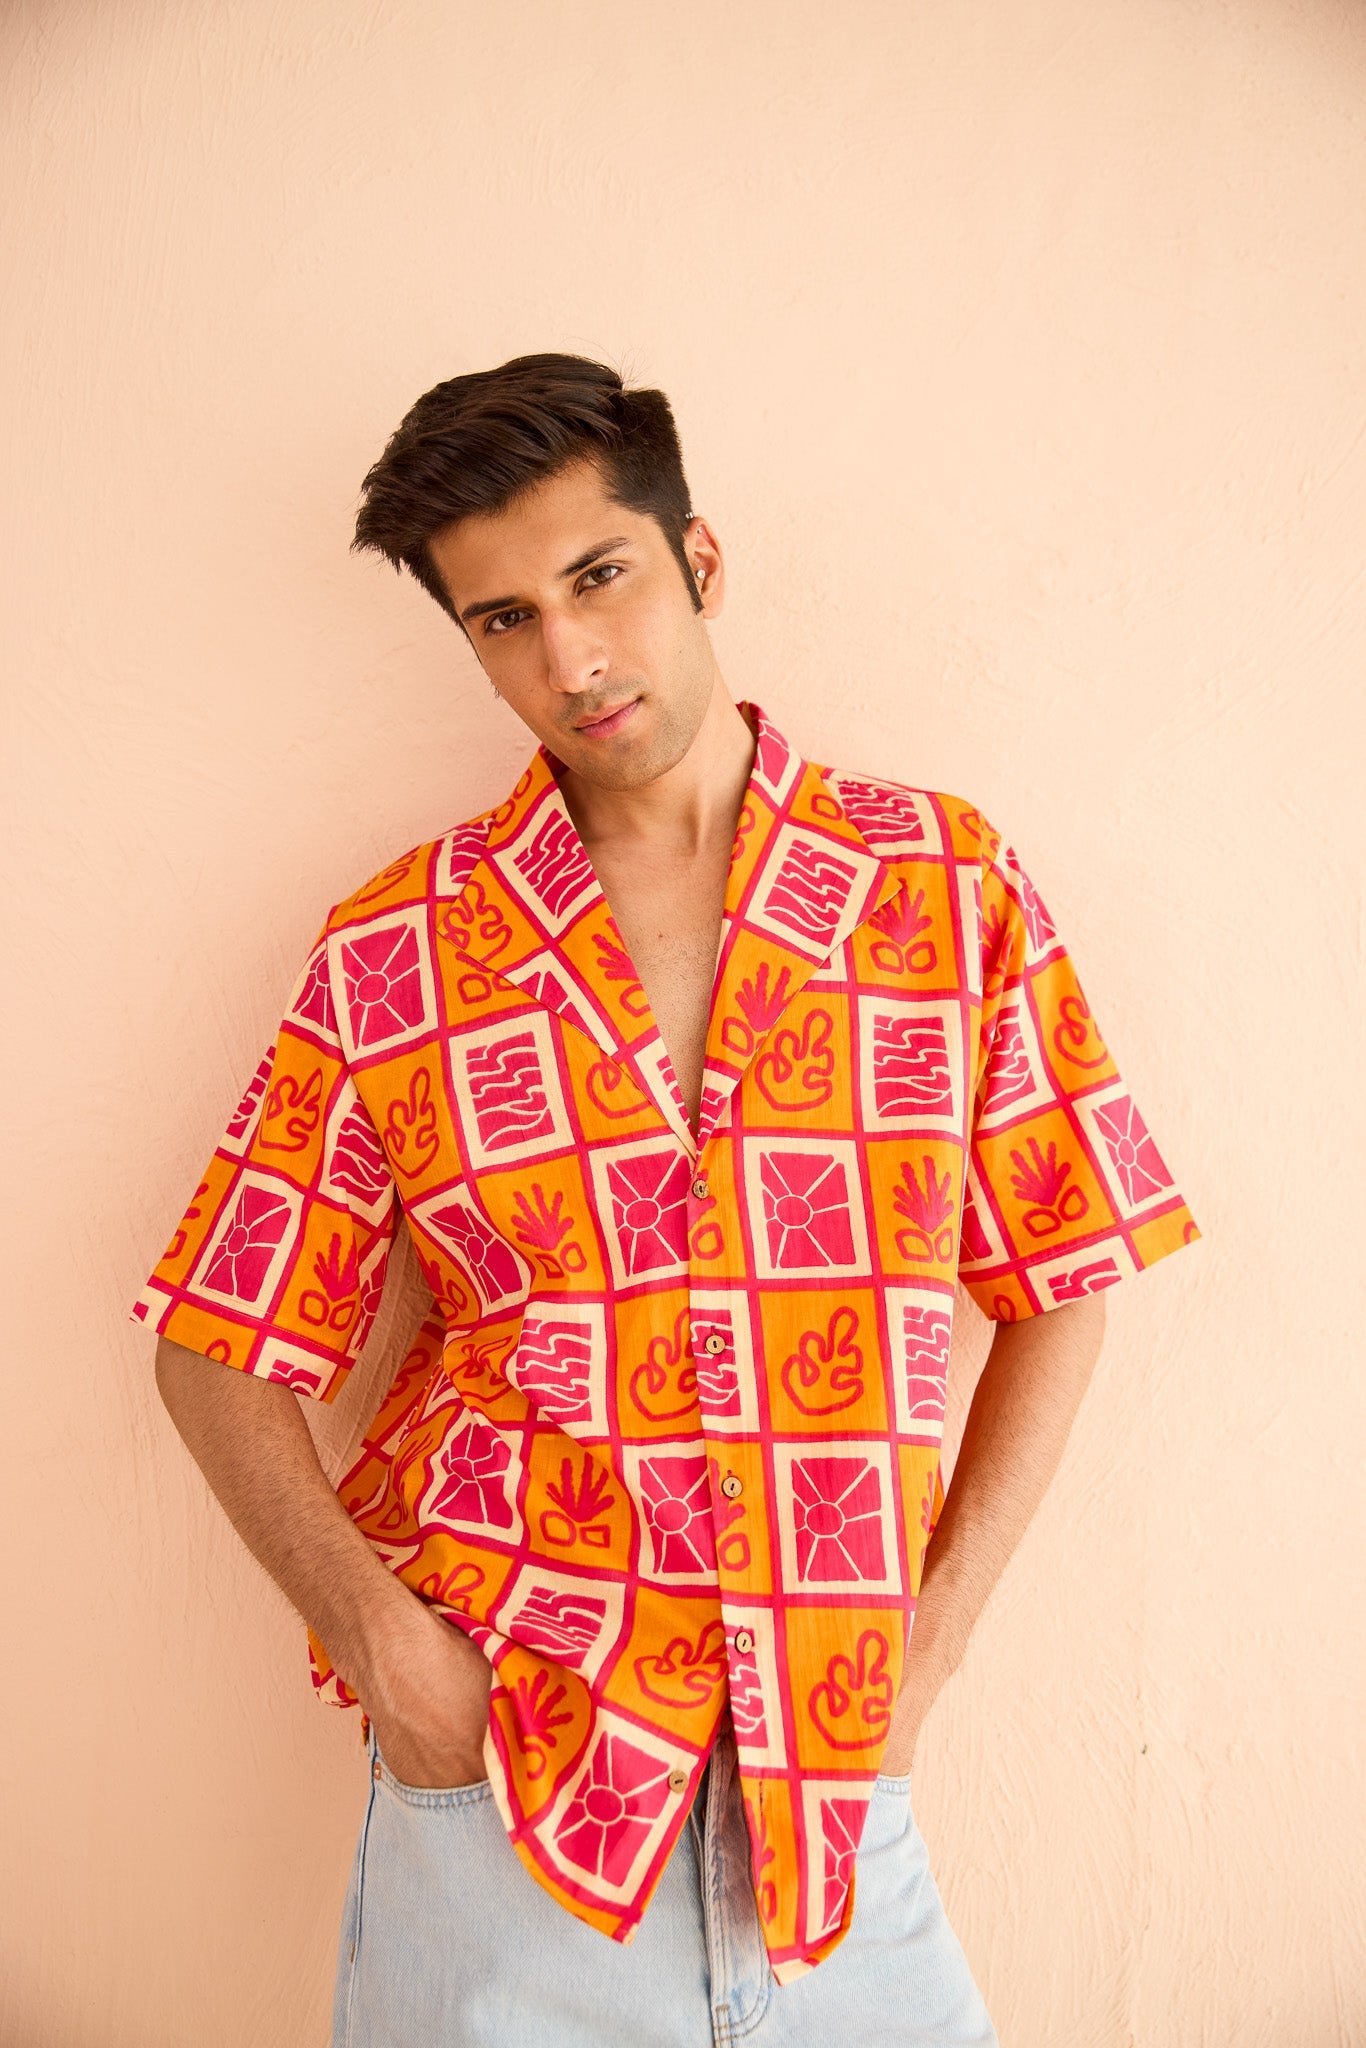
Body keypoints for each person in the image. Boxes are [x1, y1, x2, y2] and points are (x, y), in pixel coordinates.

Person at [135, 353, 1202, 2047]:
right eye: (501, 620)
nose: (566, 658)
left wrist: (928, 1644)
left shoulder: (937, 889)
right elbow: (214, 1343)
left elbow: (1066, 1268)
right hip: (512, 1789)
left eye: (599, 577)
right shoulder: (401, 949)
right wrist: (387, 1647)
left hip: (832, 1795)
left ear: (697, 560)